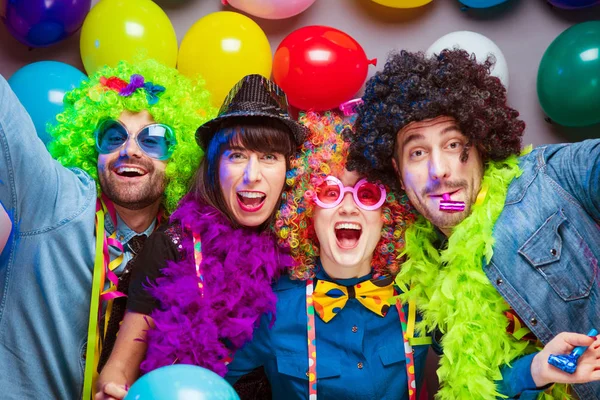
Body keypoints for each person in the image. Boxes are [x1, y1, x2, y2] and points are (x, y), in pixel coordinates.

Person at [348, 49, 600, 399]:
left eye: (453, 144)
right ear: (395, 169)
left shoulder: (552, 178)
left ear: (480, 145)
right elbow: (476, 386)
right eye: (417, 153)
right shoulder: (427, 278)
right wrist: (536, 369)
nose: (439, 171)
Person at [0, 59, 215, 399]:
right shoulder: (54, 201)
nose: (129, 150)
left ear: (179, 156)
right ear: (91, 147)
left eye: (153, 139)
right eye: (112, 136)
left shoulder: (187, 252)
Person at [95, 74, 307, 400]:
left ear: (289, 170)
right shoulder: (174, 246)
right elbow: (120, 366)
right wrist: (112, 390)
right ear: (215, 166)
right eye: (236, 155)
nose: (252, 175)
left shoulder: (300, 249)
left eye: (269, 157)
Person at [225, 112, 428, 400]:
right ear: (307, 211)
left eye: (366, 194)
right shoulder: (269, 307)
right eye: (330, 192)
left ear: (388, 214)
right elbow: (206, 380)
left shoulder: (423, 298)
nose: (347, 207)